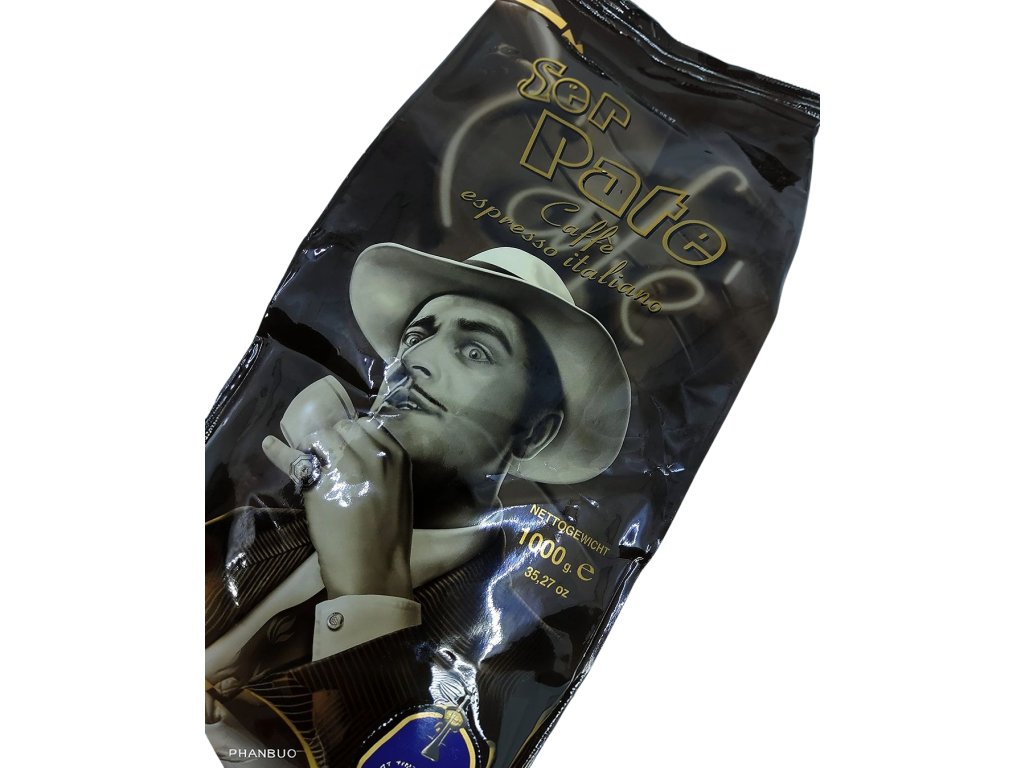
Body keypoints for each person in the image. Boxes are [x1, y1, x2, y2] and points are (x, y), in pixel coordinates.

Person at [205, 243, 630, 767]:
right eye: (415, 337)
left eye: (475, 352)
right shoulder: (236, 530)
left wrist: (367, 588)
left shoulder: (521, 657)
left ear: (533, 432)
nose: (412, 362)